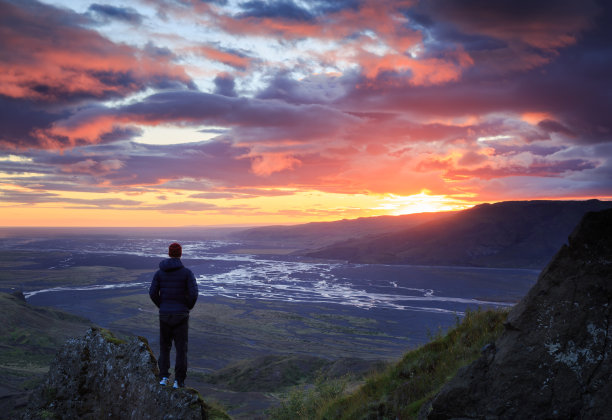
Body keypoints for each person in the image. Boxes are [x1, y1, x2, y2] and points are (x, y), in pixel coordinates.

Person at [149, 242, 198, 388]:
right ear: (180, 253)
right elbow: (194, 293)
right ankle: (179, 381)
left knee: (165, 347)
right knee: (181, 350)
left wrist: (162, 306)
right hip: (181, 315)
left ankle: (163, 377)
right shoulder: (187, 273)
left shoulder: (159, 273)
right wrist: (186, 307)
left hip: (164, 315)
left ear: (169, 253)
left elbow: (152, 293)